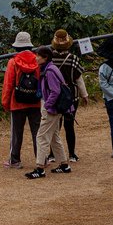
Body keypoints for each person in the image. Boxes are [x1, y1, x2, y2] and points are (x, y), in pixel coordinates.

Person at [25, 47, 73, 179]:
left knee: (41, 136)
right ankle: (64, 164)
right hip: (56, 109)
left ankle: (40, 168)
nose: (36, 57)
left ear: (45, 57)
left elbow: (55, 91)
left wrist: (47, 105)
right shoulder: (52, 68)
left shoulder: (49, 71)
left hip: (51, 109)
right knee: (54, 137)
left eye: (39, 56)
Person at [1, 31, 42, 169]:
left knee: (16, 133)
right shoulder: (38, 61)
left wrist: (5, 103)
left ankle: (15, 160)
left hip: (17, 102)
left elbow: (8, 84)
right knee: (38, 132)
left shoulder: (13, 62)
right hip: (35, 101)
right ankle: (42, 159)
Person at [48, 29, 89, 163]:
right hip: (70, 95)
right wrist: (84, 95)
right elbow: (78, 79)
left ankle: (52, 154)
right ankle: (72, 154)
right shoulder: (73, 59)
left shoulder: (50, 59)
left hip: (53, 95)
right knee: (69, 124)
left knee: (54, 126)